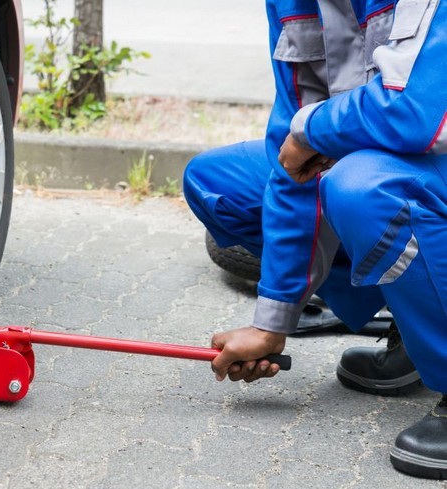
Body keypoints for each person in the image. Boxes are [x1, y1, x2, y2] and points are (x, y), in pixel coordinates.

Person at [182, 0, 447, 479]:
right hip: (394, 158)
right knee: (218, 183)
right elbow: (292, 153)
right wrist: (272, 321)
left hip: (428, 151)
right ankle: (416, 323)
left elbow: (414, 111)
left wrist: (314, 131)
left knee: (363, 189)